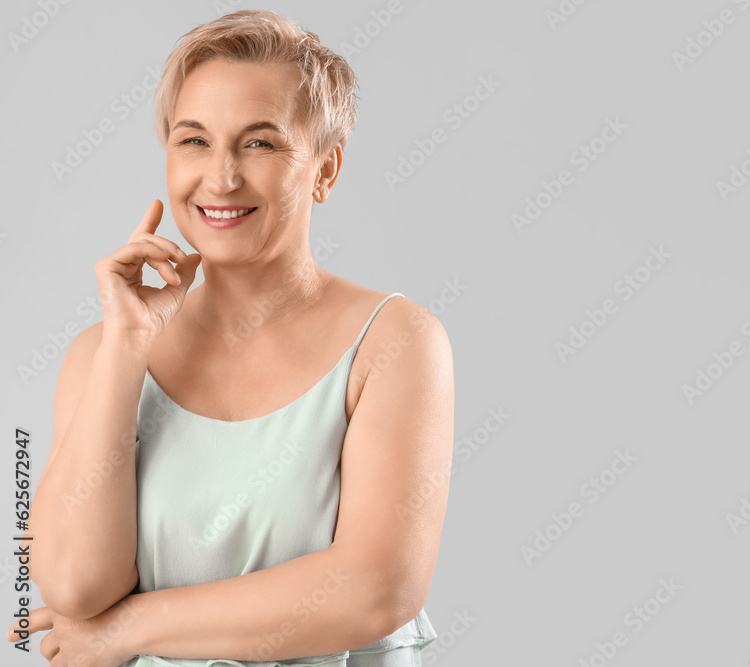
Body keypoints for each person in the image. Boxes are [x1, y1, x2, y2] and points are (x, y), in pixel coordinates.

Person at [7, 9, 453, 667]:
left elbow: (375, 588)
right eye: (194, 141)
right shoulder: (100, 354)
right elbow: (72, 584)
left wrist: (127, 629)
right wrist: (127, 348)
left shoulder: (395, 341)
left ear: (325, 169)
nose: (221, 179)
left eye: (260, 143)